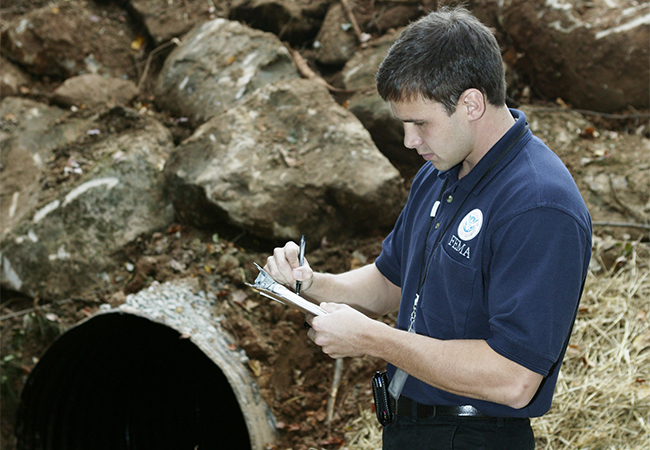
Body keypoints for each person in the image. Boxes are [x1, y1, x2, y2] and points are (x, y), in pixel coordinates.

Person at [264, 6, 592, 449]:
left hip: (474, 435)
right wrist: (312, 283)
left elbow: (513, 378)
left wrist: (374, 339)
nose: (409, 141)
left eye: (420, 123)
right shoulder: (441, 172)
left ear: (471, 103)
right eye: (404, 124)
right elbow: (392, 282)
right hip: (410, 427)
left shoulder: (538, 204)